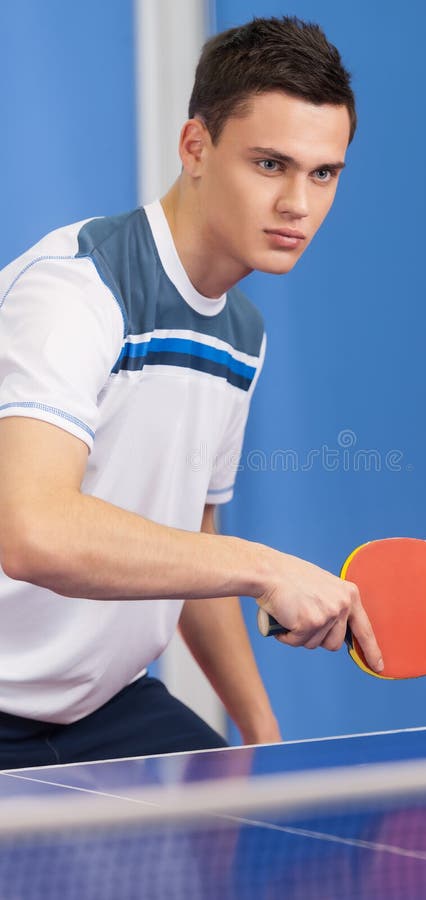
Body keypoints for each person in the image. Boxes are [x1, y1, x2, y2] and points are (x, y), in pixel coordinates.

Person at [0, 16, 383, 770]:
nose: (298, 205)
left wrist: (262, 737)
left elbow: (195, 551)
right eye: (270, 163)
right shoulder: (78, 289)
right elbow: (31, 530)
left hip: (104, 706)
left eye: (323, 173)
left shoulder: (240, 333)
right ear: (195, 148)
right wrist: (266, 567)